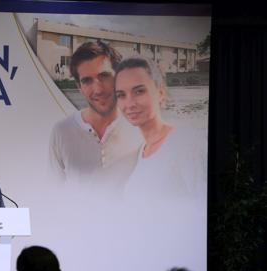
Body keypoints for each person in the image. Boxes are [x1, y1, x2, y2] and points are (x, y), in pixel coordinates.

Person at [50, 41, 142, 193]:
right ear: (79, 87)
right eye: (87, 81)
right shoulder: (61, 131)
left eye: (104, 76)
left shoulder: (141, 130)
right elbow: (53, 193)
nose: (98, 89)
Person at [114, 56, 207, 200]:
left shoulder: (186, 144)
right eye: (121, 95)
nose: (129, 104)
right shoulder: (142, 151)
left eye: (139, 91)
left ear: (160, 93)